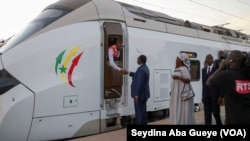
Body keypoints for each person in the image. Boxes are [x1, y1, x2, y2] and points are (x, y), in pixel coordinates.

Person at [206, 50, 250, 125]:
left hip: (233, 120)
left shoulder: (227, 75)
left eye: (228, 58)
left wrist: (220, 68)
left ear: (232, 60)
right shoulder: (247, 73)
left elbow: (208, 82)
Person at [169, 53, 195, 125]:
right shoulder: (176, 69)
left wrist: (179, 78)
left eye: (177, 59)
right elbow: (174, 82)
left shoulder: (184, 69)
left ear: (181, 60)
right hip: (176, 93)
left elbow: (188, 80)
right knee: (176, 109)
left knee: (183, 109)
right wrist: (172, 90)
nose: (176, 60)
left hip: (182, 93)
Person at [129, 54, 150, 125]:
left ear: (140, 60)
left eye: (137, 59)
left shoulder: (141, 69)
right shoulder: (145, 68)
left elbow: (139, 83)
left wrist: (136, 95)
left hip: (140, 95)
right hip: (144, 94)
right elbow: (137, 75)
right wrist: (129, 73)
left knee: (139, 113)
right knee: (143, 112)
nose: (137, 60)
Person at [202, 54, 223, 125]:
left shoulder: (217, 70)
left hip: (215, 96)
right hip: (206, 97)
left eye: (210, 58)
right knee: (207, 115)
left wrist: (220, 96)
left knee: (216, 114)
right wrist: (203, 96)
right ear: (206, 60)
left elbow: (220, 84)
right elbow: (203, 85)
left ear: (212, 60)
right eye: (207, 58)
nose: (209, 60)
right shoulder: (203, 70)